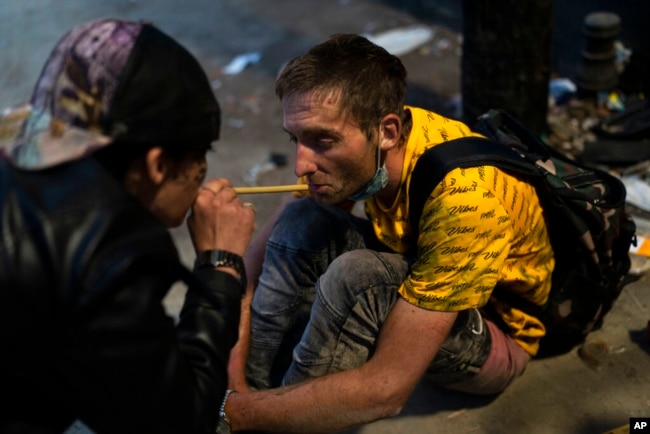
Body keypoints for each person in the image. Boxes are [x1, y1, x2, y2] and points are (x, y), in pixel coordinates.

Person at [222, 34, 555, 432]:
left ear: (388, 132)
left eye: (321, 141)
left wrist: (232, 414)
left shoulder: (465, 202)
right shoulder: (363, 131)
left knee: (360, 279)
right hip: (424, 275)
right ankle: (261, 402)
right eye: (296, 139)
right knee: (301, 224)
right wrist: (235, 389)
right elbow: (250, 279)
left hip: (497, 335)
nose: (301, 165)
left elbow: (385, 389)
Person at [0, 18, 256, 434]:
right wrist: (220, 265)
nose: (202, 175)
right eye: (200, 157)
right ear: (158, 165)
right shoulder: (104, 245)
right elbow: (178, 419)